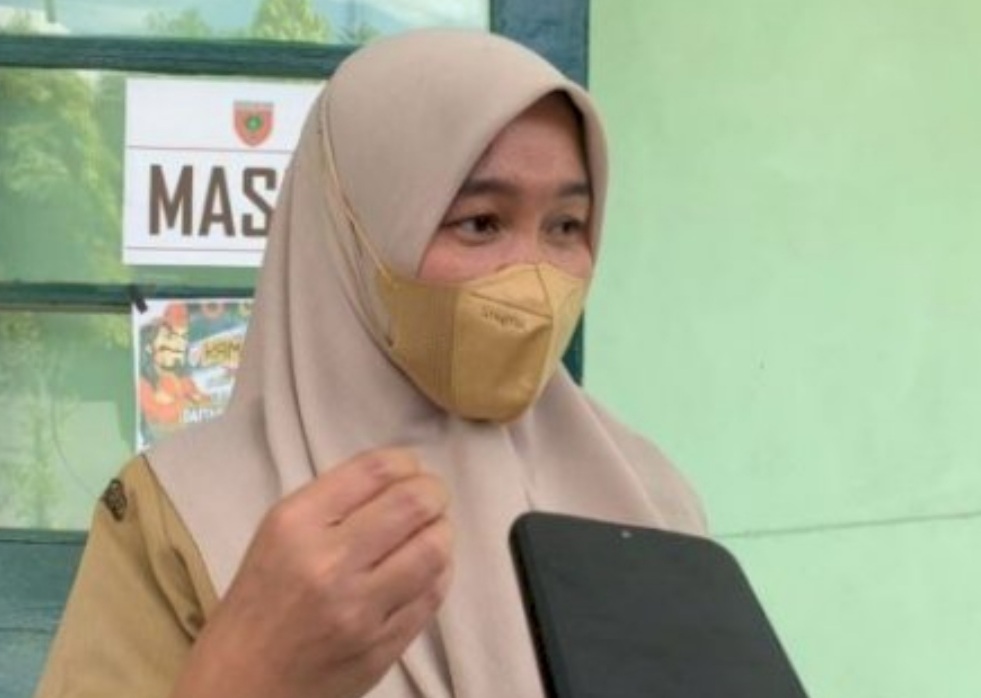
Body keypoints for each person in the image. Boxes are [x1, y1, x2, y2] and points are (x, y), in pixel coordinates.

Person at [34, 28, 706, 698]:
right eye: (480, 222)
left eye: (565, 226)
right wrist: (248, 675)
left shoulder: (647, 495)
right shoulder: (182, 512)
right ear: (355, 234)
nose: (532, 278)